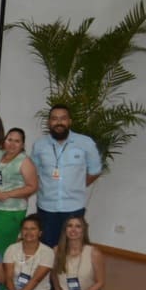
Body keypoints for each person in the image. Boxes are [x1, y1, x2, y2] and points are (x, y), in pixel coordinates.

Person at [31, 104, 101, 247]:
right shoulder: (39, 145)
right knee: (47, 248)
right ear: (49, 122)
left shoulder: (85, 143)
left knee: (72, 248)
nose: (59, 122)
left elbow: (95, 171)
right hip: (46, 208)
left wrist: (78, 185)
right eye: (54, 119)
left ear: (69, 121)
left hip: (74, 207)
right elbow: (34, 172)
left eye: (63, 118)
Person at [0, 128, 38, 256]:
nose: (12, 144)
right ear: (4, 141)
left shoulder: (24, 161)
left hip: (10, 212)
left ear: (22, 145)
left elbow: (32, 186)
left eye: (17, 141)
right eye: (10, 140)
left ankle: (0, 274)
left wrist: (7, 194)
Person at [1, 214, 54, 290]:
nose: (29, 232)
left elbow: (36, 280)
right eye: (25, 229)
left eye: (33, 229)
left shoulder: (48, 252)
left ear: (40, 233)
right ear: (21, 231)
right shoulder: (11, 249)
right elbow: (8, 277)